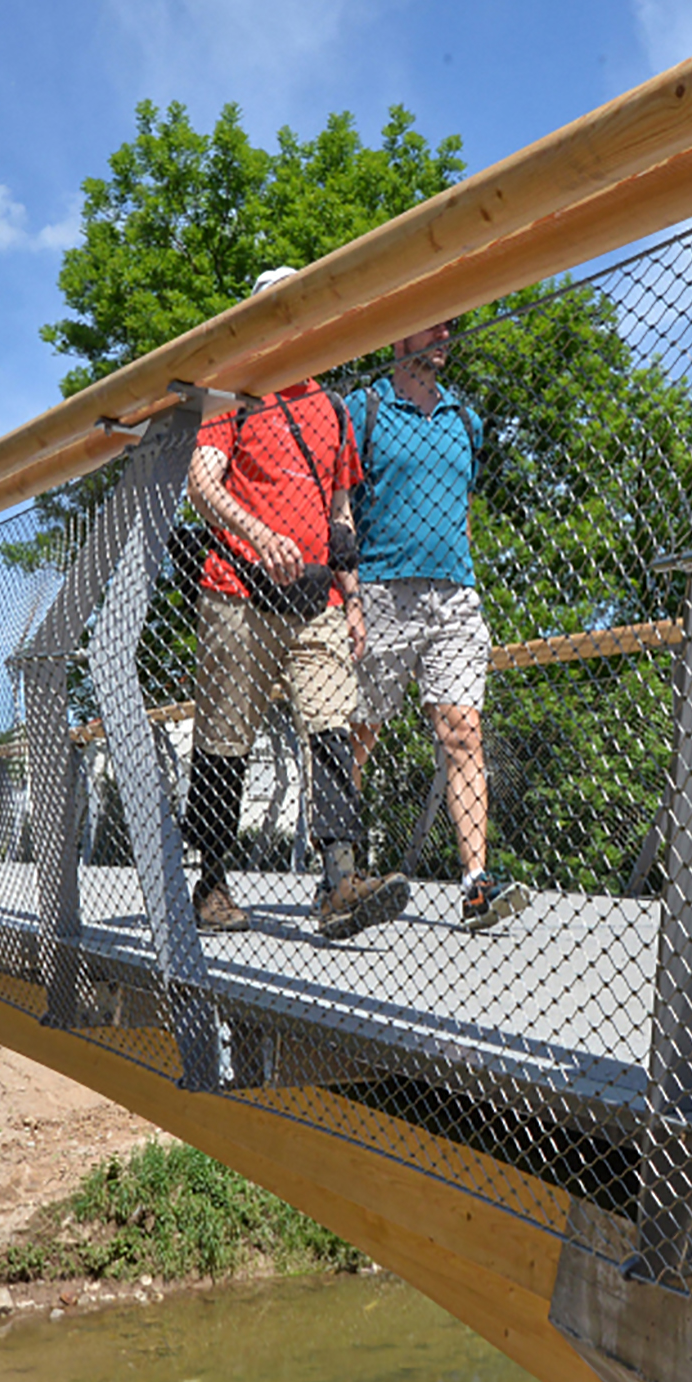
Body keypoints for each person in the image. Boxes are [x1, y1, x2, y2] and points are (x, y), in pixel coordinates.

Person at [177, 266, 410, 942]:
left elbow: (341, 515)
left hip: (316, 600)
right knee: (224, 741)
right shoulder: (235, 393)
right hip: (237, 592)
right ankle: (211, 883)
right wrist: (255, 534)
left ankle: (341, 881)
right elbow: (201, 483)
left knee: (331, 727)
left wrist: (355, 600)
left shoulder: (333, 409)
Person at [347, 316, 532, 931]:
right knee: (359, 733)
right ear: (401, 333)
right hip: (380, 592)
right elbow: (340, 509)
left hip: (454, 597)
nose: (447, 335)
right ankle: (340, 874)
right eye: (435, 325)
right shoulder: (364, 407)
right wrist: (346, 595)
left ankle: (476, 883)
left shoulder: (465, 421)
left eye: (454, 326)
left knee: (463, 734)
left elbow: (465, 511)